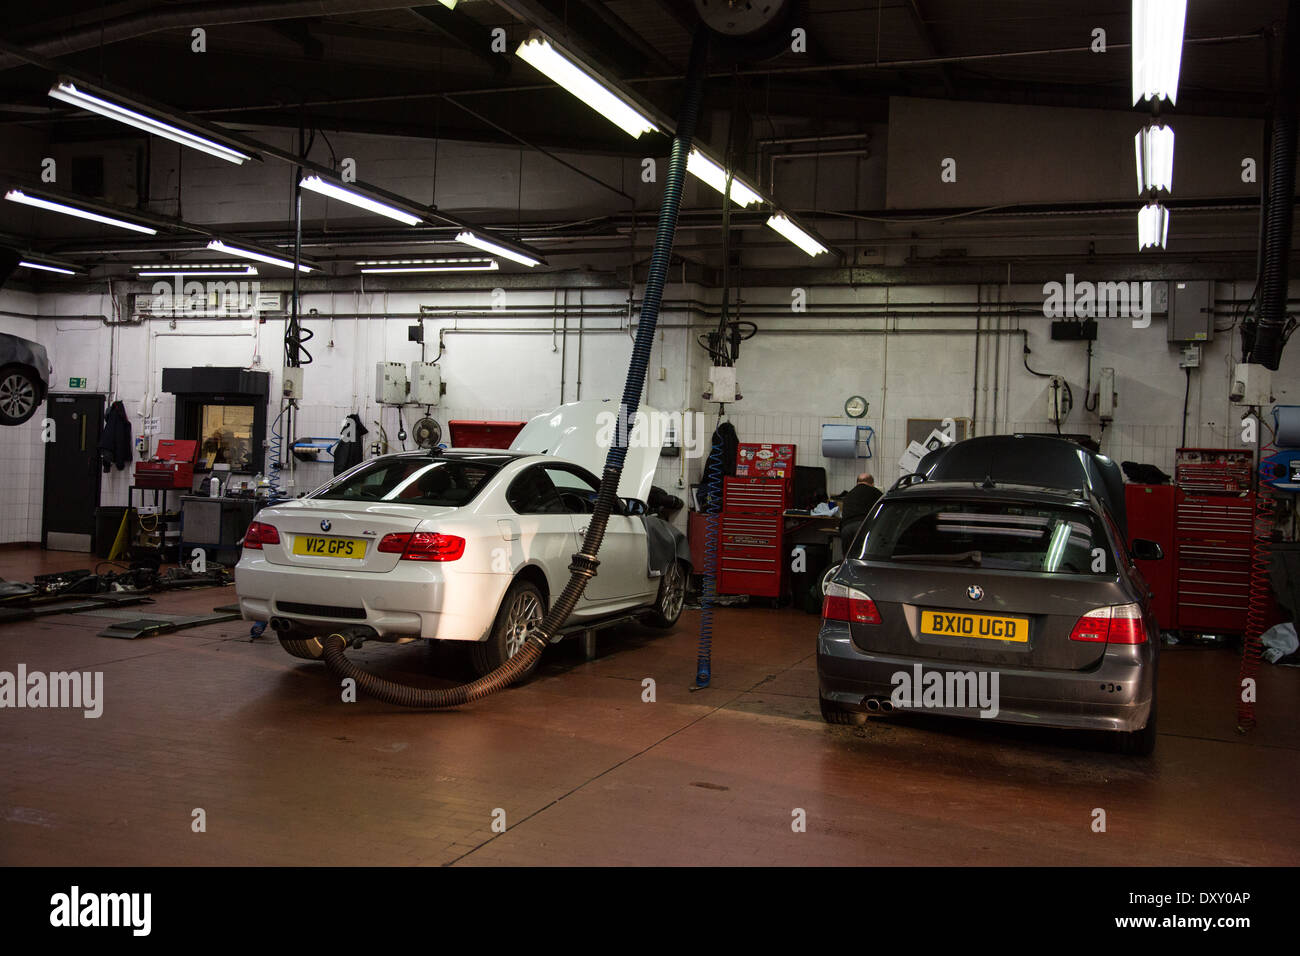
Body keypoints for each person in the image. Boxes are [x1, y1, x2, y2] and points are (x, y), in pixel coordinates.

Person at [838, 473, 882, 553]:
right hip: (864, 527)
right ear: (872, 484)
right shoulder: (877, 493)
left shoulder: (849, 494)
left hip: (846, 529)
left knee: (848, 558)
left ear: (857, 482)